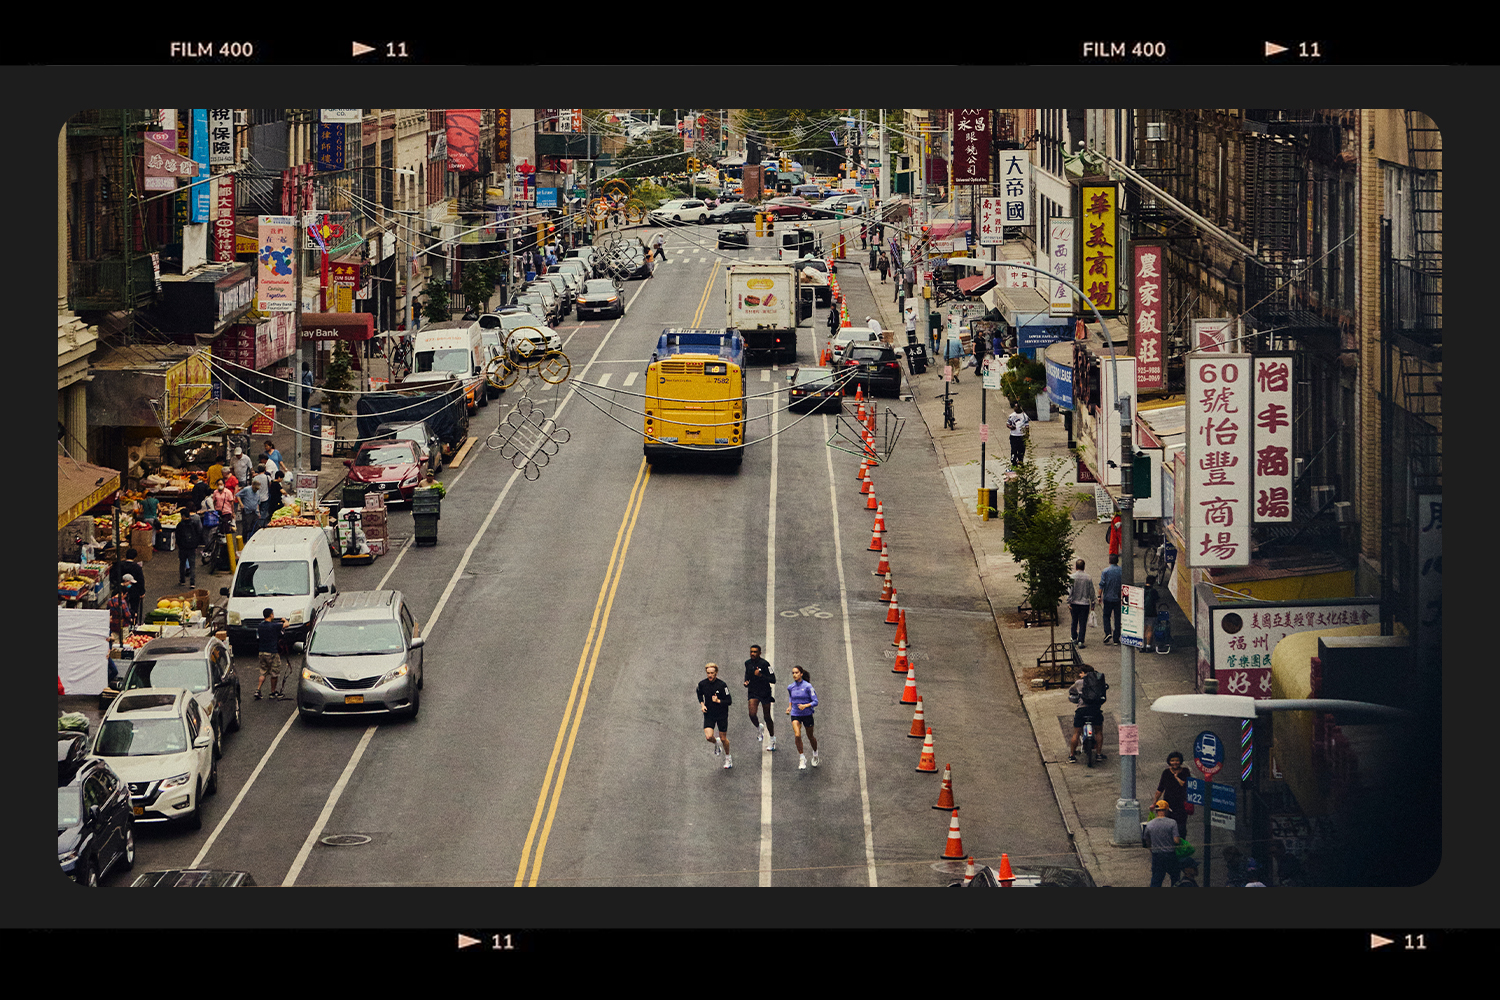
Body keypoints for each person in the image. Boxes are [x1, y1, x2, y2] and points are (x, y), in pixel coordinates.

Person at [1066, 664, 1108, 762]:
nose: (1080, 674)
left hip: (1082, 710)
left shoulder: (1078, 682)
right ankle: (1098, 754)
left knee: (1076, 732)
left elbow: (1071, 691)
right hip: (1095, 710)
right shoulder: (1098, 682)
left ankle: (1072, 755)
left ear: (1085, 673)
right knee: (1098, 731)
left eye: (1081, 672)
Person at [697, 663, 733, 768]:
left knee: (723, 738)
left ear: (716, 673)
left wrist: (718, 701)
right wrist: (702, 705)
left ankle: (728, 758)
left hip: (721, 714)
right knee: (708, 737)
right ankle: (716, 742)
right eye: (708, 673)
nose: (710, 675)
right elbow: (699, 694)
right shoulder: (702, 684)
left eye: (712, 673)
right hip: (709, 714)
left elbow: (729, 701)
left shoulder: (722, 685)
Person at [742, 644, 777, 750]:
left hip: (764, 692)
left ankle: (772, 739)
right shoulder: (747, 663)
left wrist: (761, 675)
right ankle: (759, 727)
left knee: (767, 717)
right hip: (753, 691)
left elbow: (773, 679)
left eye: (755, 652)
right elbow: (747, 675)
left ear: (759, 653)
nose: (752, 653)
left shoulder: (765, 664)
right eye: (751, 651)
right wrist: (746, 682)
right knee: (752, 714)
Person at [785, 665, 819, 769]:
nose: (794, 675)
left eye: (796, 673)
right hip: (795, 714)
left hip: (807, 714)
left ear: (801, 674)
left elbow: (815, 701)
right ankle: (802, 757)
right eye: (793, 673)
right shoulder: (790, 687)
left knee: (810, 737)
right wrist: (790, 707)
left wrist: (805, 705)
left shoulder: (808, 686)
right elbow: (791, 697)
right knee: (797, 735)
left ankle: (815, 754)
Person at [1145, 800, 1182, 887]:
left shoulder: (1149, 824)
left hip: (1157, 856)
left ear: (1157, 811)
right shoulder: (1172, 823)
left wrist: (1151, 848)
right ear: (1165, 810)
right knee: (1175, 877)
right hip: (1170, 855)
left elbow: (1146, 841)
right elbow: (1176, 841)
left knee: (1156, 879)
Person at [1155, 751, 1191, 839]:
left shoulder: (1185, 771)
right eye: (1172, 760)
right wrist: (1154, 803)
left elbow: (1186, 785)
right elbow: (1160, 789)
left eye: (1177, 760)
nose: (1175, 763)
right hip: (1168, 804)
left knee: (1181, 826)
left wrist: (1177, 778)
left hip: (1181, 804)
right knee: (1168, 825)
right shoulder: (1166, 773)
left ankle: (1181, 843)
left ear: (1180, 761)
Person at [255, 608, 287, 700]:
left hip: (262, 652)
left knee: (263, 671)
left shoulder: (260, 626)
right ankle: (272, 692)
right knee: (274, 673)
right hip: (272, 652)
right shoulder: (274, 626)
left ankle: (258, 690)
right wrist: (284, 620)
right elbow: (287, 625)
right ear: (271, 615)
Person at [1068, 559, 1095, 648]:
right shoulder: (1088, 578)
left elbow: (1070, 591)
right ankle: (1081, 640)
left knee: (1074, 621)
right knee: (1083, 622)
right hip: (1084, 603)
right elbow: (1091, 591)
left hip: (1074, 603)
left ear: (1076, 567)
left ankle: (1074, 637)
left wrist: (1069, 602)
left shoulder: (1072, 577)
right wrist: (1093, 602)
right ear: (1084, 567)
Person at [176, 511, 204, 587]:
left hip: (183, 548)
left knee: (182, 564)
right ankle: (192, 582)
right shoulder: (194, 524)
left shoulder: (180, 525)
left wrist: (179, 545)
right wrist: (195, 545)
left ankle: (182, 580)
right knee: (192, 565)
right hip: (192, 548)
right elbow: (198, 534)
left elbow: (177, 537)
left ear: (183, 516)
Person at [1099, 554, 1122, 645]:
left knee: (1106, 616)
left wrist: (1099, 596)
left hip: (1108, 598)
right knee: (1117, 618)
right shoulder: (1121, 571)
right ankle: (1116, 638)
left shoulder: (1105, 571)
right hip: (1117, 598)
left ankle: (1108, 632)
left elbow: (1102, 584)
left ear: (1109, 561)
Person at [1143, 574, 1160, 652]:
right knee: (1150, 630)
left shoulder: (1142, 589)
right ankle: (1148, 646)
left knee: (1143, 629)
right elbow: (1157, 599)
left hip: (1142, 612)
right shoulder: (1153, 591)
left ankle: (1142, 645)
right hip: (1151, 612)